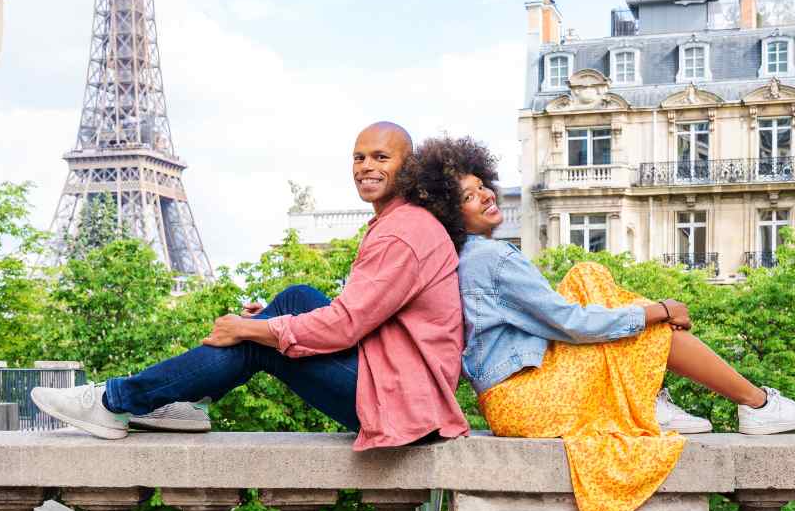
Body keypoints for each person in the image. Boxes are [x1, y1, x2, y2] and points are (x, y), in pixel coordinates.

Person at [399, 135, 795, 511]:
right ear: (451, 213)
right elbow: (572, 324)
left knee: (589, 278)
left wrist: (644, 316)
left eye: (482, 186)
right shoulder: (491, 259)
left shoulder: (462, 258)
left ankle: (649, 398)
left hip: (510, 402)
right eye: (468, 197)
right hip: (530, 400)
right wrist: (657, 311)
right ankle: (756, 403)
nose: (487, 196)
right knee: (639, 322)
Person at [33, 122, 471, 449]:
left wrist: (252, 330)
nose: (366, 167)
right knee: (293, 300)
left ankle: (116, 401)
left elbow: (345, 325)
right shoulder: (404, 224)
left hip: (405, 405)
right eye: (359, 157)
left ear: (408, 168)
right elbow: (357, 316)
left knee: (260, 341)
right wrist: (267, 323)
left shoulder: (401, 233)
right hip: (402, 384)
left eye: (381, 157)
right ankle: (188, 401)